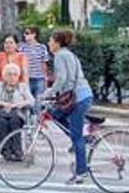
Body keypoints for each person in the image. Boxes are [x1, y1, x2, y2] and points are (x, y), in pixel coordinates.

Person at [44, 29, 93, 185]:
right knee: (56, 115)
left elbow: (63, 79)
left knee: (76, 136)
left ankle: (81, 172)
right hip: (83, 95)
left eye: (50, 41)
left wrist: (49, 93)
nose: (49, 44)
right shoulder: (70, 54)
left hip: (78, 98)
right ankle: (82, 137)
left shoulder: (60, 56)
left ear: (57, 43)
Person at [0, 63, 34, 160]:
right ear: (4, 76)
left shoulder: (22, 87)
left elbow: (32, 101)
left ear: (18, 76)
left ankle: (17, 151)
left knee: (14, 122)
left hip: (17, 113)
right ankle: (5, 151)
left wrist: (18, 104)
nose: (12, 77)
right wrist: (1, 103)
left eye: (15, 74)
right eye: (9, 74)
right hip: (0, 112)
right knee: (2, 122)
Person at [18, 25, 50, 105]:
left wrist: (45, 78)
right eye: (24, 33)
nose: (25, 35)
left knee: (38, 102)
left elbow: (44, 63)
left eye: (27, 33)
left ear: (34, 34)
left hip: (39, 78)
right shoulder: (22, 47)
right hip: (26, 79)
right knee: (27, 102)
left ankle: (37, 117)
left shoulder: (42, 47)